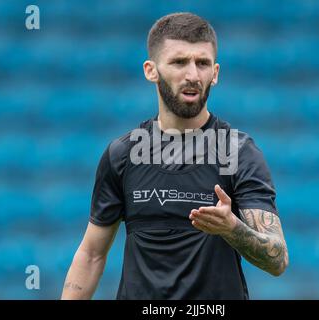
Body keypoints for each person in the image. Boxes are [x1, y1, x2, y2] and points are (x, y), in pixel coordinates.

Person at [61, 12, 288, 300]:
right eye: (179, 62)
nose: (192, 74)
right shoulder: (122, 154)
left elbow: (277, 259)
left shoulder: (240, 152)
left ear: (215, 73)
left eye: (202, 63)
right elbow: (92, 254)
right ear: (150, 70)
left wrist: (232, 228)